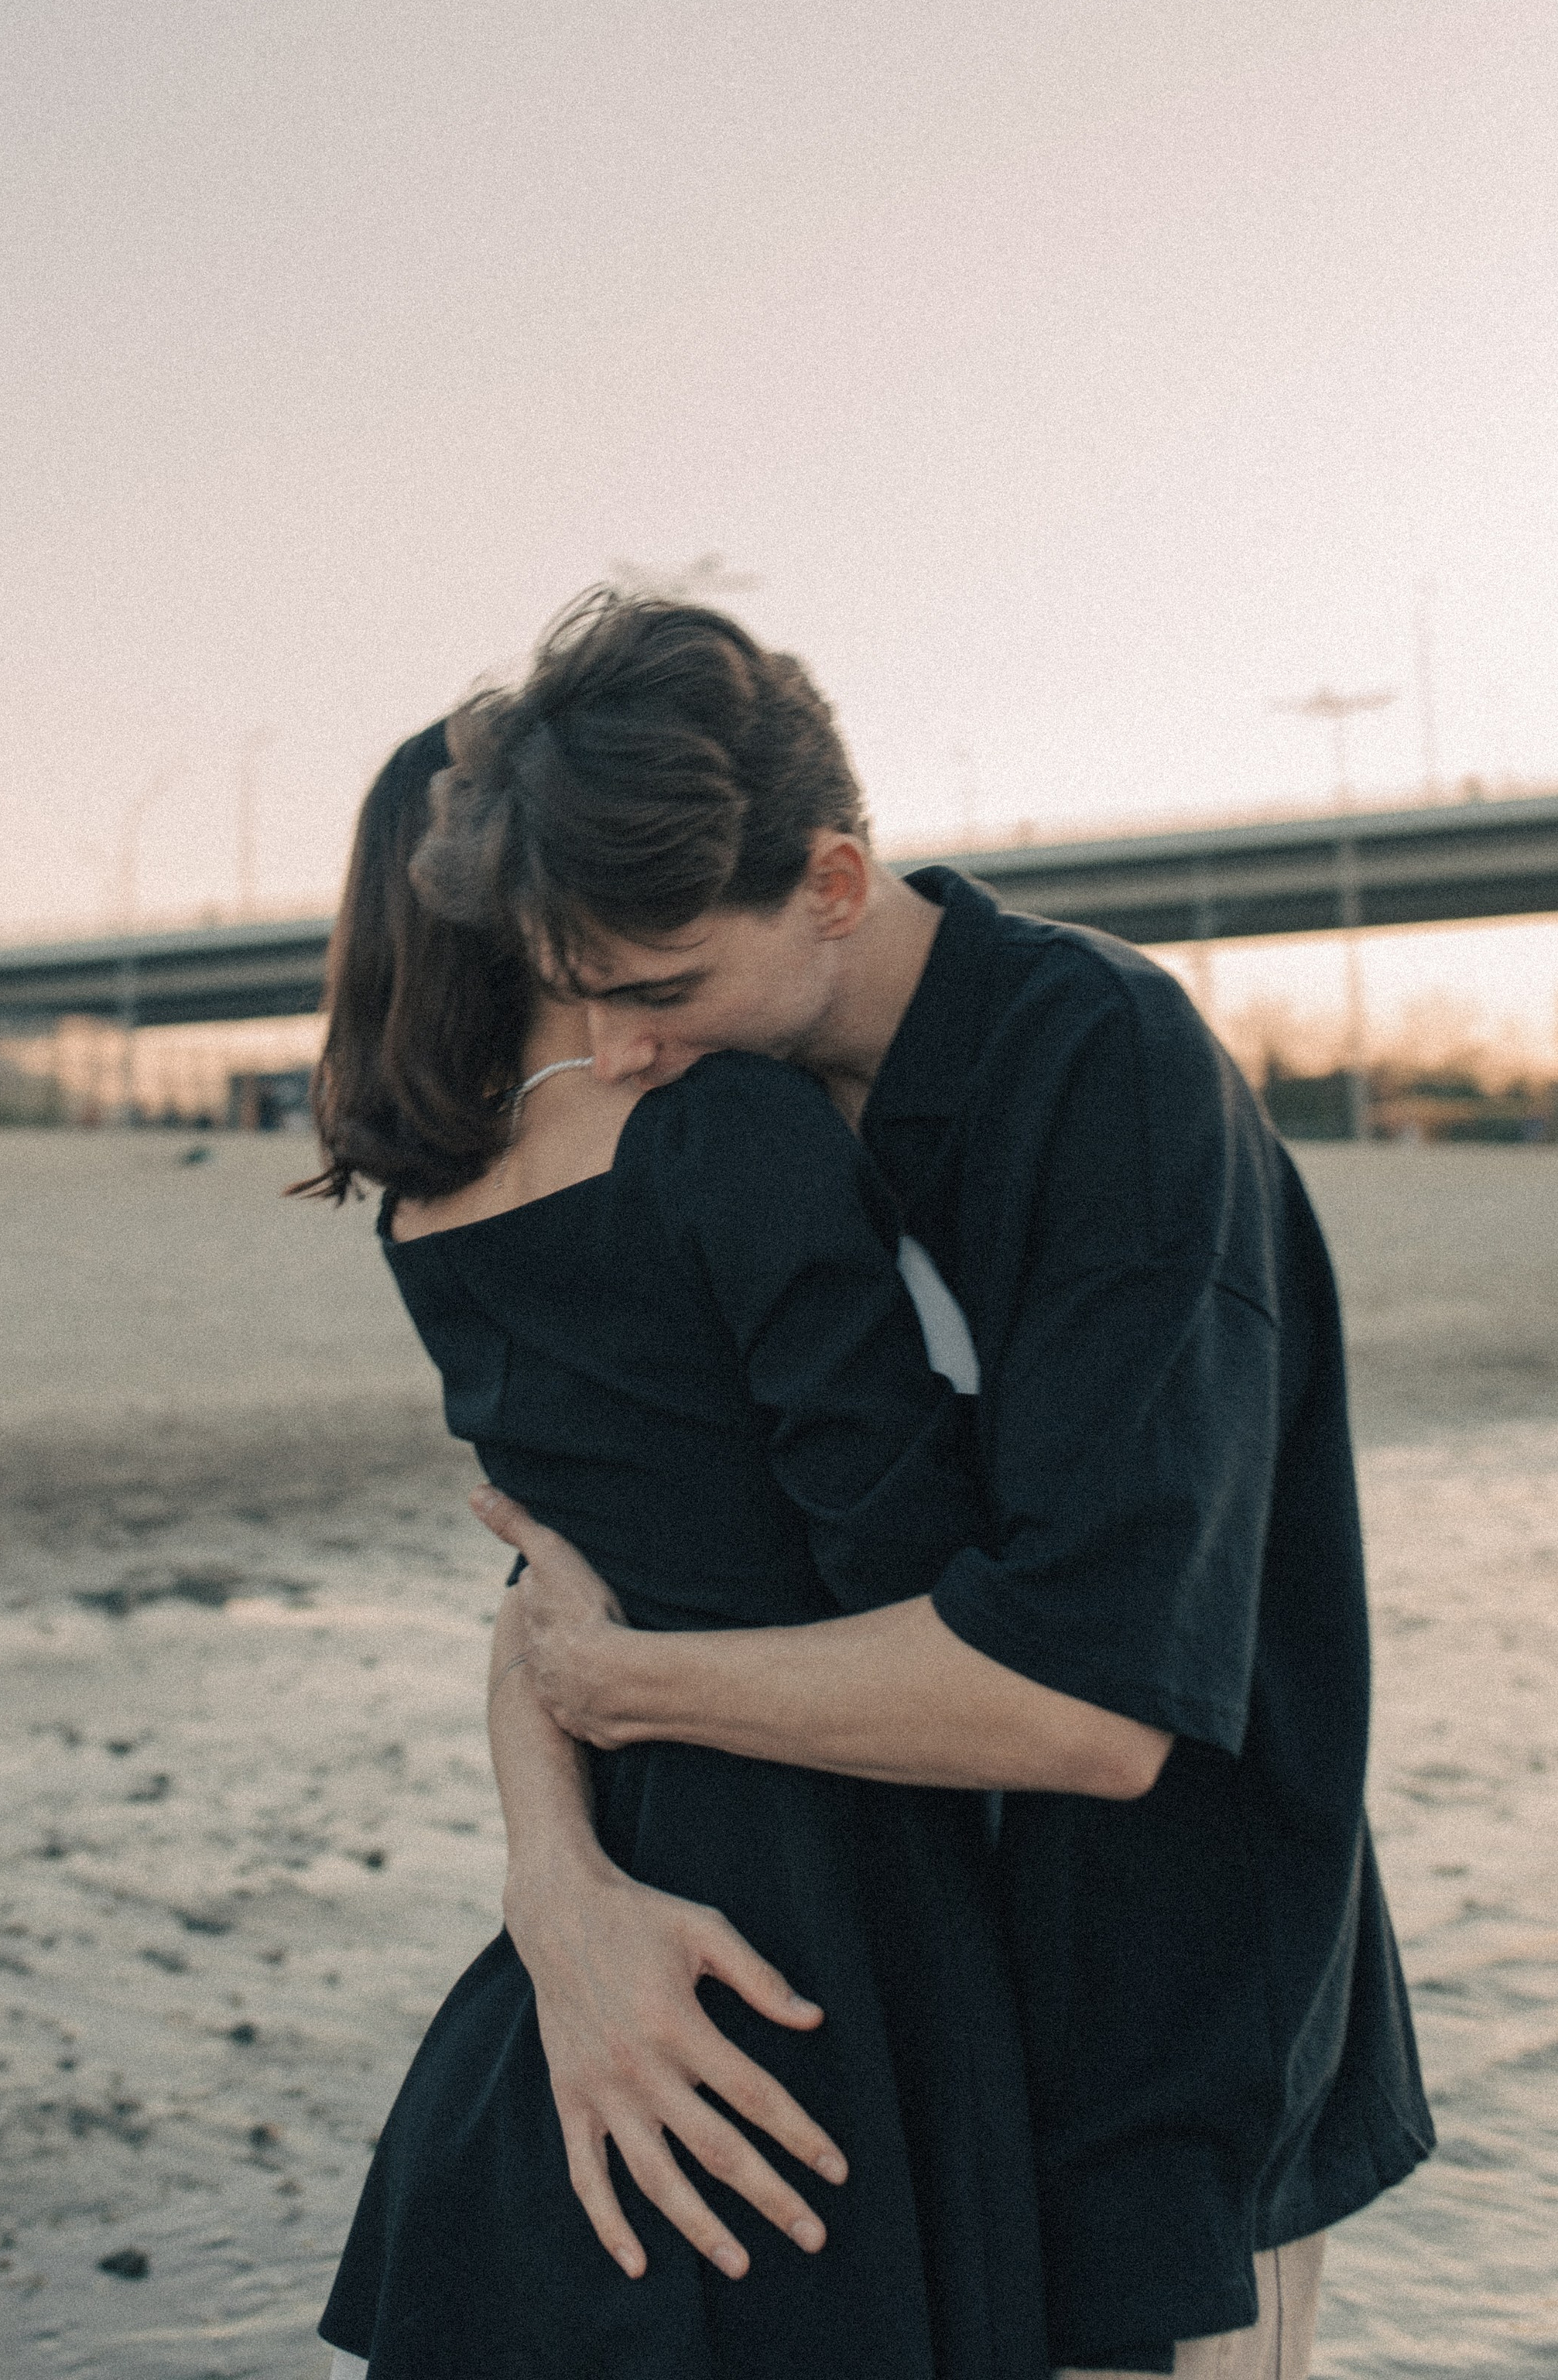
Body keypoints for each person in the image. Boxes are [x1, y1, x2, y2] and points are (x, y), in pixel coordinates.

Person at [409, 591, 1435, 2380]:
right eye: (584, 1001)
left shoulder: (1101, 1077)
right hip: (894, 2036)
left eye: (660, 990)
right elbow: (569, 1571)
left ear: (827, 879)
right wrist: (555, 1893)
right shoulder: (744, 1131)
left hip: (1156, 2043)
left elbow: (1089, 1703)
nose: (625, 1054)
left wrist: (631, 1686)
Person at [300, 723, 1052, 2380]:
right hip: (827, 1833)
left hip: (622, 1810)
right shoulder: (723, 1131)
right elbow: (892, 1548)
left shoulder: (425, 1208)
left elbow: (550, 1557)